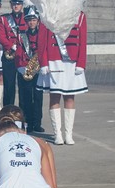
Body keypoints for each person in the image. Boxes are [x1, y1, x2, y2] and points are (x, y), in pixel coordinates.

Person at [37, 11, 88, 145]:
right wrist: (43, 62)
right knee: (55, 96)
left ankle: (68, 134)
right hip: (54, 60)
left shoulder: (80, 15)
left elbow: (83, 40)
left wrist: (81, 63)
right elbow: (41, 40)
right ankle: (57, 134)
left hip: (72, 61)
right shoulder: (48, 12)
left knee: (70, 97)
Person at [15, 6, 45, 134]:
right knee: (25, 98)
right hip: (25, 70)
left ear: (38, 21)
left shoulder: (42, 35)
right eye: (29, 20)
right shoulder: (22, 36)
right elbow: (18, 53)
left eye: (33, 20)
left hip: (38, 70)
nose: (31, 22)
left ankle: (37, 123)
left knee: (38, 97)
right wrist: (22, 68)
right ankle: (26, 123)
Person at [1, 0, 27, 107]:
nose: (16, 5)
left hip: (23, 57)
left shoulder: (27, 18)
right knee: (9, 86)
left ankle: (23, 114)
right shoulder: (4, 18)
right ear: (11, 4)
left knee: (23, 87)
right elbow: (1, 36)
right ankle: (8, 112)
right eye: (14, 3)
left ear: (22, 5)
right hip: (9, 56)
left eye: (18, 3)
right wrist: (11, 45)